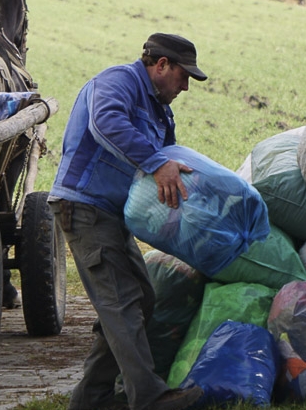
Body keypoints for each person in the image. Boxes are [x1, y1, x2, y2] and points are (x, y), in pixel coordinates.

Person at [49, 33, 209, 410]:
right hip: (84, 207)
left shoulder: (160, 111)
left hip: (113, 216)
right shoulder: (117, 82)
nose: (185, 87)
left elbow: (169, 164)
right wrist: (157, 164)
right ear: (161, 65)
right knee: (121, 303)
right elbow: (106, 124)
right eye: (183, 76)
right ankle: (149, 398)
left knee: (141, 298)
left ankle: (92, 399)